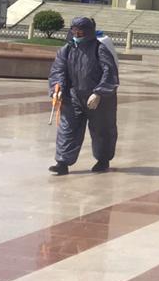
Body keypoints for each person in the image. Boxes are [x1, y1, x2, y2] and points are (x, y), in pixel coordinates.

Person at [48, 17, 119, 176]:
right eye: (74, 30)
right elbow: (58, 70)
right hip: (74, 96)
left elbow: (110, 72)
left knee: (102, 130)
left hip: (98, 99)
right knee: (68, 128)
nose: (77, 34)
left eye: (80, 31)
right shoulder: (67, 49)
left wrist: (99, 92)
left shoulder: (99, 49)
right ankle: (62, 162)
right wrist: (57, 88)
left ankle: (103, 160)